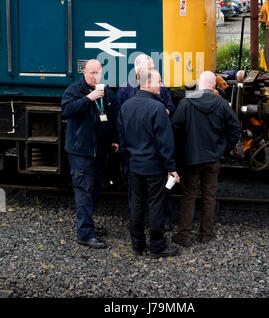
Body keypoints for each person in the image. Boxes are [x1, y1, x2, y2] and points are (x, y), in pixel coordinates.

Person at [171, 71, 241, 247]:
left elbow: (174, 129)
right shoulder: (222, 104)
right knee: (210, 196)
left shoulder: (186, 103)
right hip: (213, 159)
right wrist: (224, 149)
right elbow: (235, 128)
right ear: (213, 86)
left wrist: (181, 151)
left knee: (188, 196)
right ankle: (206, 234)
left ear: (198, 84)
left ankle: (184, 235)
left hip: (191, 159)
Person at [118, 68, 180, 258]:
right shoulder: (157, 108)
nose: (161, 86)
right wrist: (171, 169)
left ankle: (137, 245)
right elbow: (165, 142)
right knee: (155, 205)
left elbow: (122, 137)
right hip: (154, 167)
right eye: (159, 82)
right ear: (147, 83)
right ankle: (157, 247)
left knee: (136, 204)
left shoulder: (126, 106)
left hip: (134, 165)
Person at [61, 59, 119, 249]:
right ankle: (85, 234)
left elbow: (112, 116)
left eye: (97, 73)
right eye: (91, 73)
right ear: (84, 72)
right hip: (81, 151)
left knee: (95, 189)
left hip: (99, 151)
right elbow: (66, 111)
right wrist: (89, 98)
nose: (94, 77)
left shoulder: (106, 90)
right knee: (84, 191)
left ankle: (89, 225)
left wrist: (115, 138)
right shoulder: (74, 90)